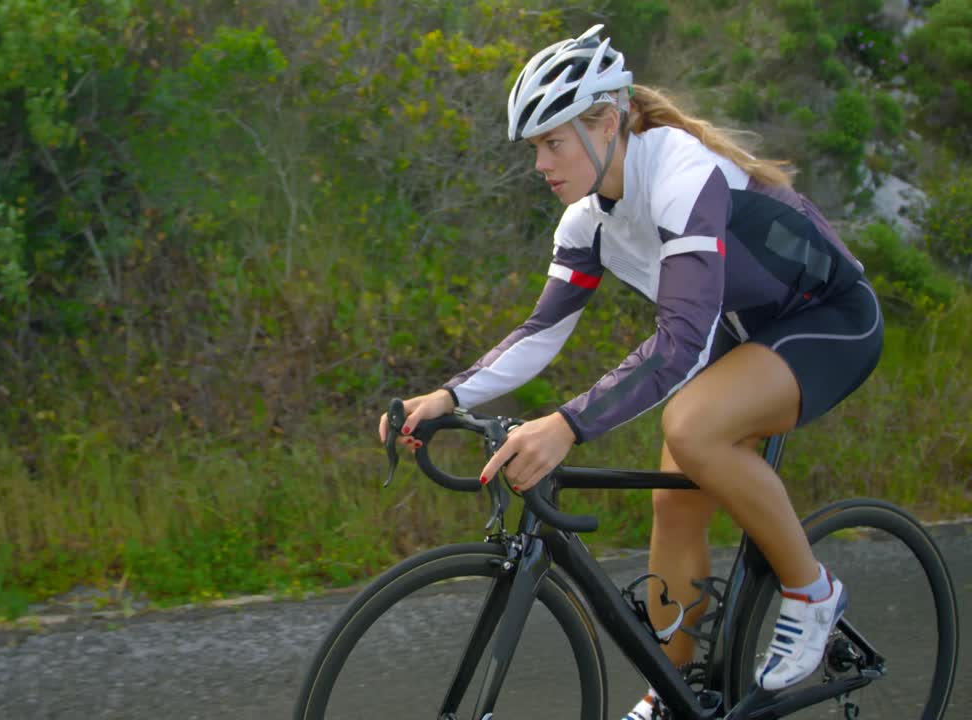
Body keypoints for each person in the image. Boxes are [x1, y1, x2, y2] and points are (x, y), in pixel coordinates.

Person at [378, 24, 883, 720]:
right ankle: (675, 696)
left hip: (827, 321)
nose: (540, 164)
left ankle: (812, 591)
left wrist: (566, 425)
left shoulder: (682, 173)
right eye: (535, 147)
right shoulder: (586, 220)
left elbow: (678, 344)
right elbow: (541, 331)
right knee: (674, 501)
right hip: (738, 341)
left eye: (553, 142)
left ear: (607, 123)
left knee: (693, 425)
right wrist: (447, 395)